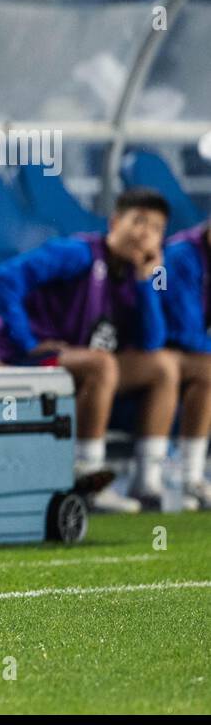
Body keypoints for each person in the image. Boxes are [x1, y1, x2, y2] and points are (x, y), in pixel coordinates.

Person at [0, 188, 190, 512]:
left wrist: (144, 283)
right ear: (115, 222)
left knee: (163, 366)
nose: (145, 234)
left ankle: (147, 480)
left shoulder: (137, 277)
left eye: (155, 229)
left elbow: (152, 343)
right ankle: (87, 476)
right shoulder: (77, 253)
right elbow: (4, 278)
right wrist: (27, 342)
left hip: (87, 365)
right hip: (28, 359)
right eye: (138, 222)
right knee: (103, 364)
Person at [148, 218, 211, 509]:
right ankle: (164, 476)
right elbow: (185, 330)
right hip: (158, 349)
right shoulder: (181, 256)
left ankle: (191, 477)